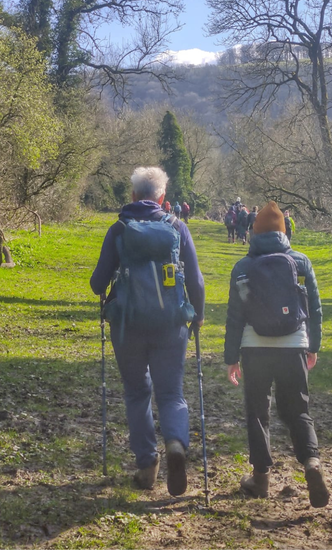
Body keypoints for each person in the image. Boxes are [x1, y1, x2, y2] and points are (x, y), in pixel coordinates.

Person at [90, 166, 205, 495]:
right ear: (162, 198)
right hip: (171, 325)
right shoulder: (177, 227)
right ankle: (176, 445)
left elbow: (98, 282)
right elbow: (196, 280)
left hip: (128, 326)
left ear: (133, 196)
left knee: (137, 393)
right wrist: (196, 317)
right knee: (171, 394)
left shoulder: (119, 229)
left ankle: (147, 466)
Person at [224, 201, 329, 508]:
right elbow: (315, 311)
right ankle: (311, 463)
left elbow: (234, 316)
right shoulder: (301, 262)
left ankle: (260, 479)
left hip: (254, 349)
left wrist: (232, 357)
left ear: (254, 233)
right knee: (298, 409)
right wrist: (313, 346)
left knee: (258, 412)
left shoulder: (243, 268)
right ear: (284, 232)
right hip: (293, 344)